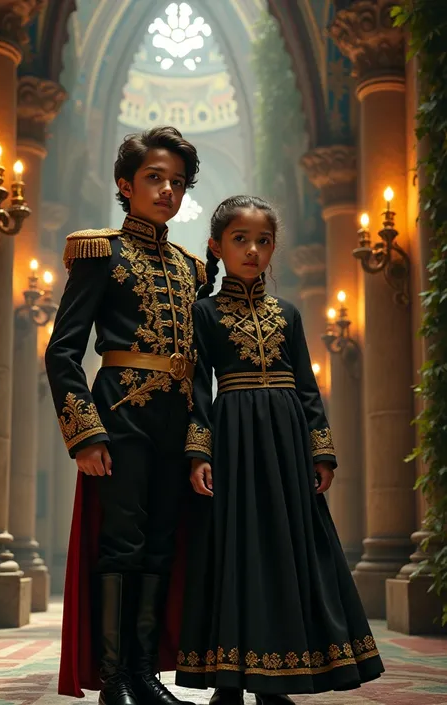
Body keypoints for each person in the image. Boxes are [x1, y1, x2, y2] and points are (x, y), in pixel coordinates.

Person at [175, 195, 384, 704]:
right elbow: (198, 388)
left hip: (288, 442)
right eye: (240, 240)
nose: (252, 250)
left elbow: (309, 388)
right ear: (216, 246)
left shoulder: (287, 314)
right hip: (235, 440)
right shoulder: (203, 313)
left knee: (289, 550)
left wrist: (322, 451)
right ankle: (229, 681)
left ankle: (279, 680)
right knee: (236, 549)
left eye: (263, 241)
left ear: (273, 248)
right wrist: (200, 452)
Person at [45, 126, 206, 705]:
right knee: (122, 544)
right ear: (126, 185)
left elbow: (201, 364)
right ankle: (115, 677)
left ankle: (145, 672)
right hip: (119, 415)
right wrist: (84, 434)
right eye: (154, 178)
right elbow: (63, 351)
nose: (167, 190)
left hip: (177, 418)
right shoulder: (100, 251)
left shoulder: (193, 269)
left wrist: (199, 440)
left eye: (178, 183)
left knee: (162, 545)